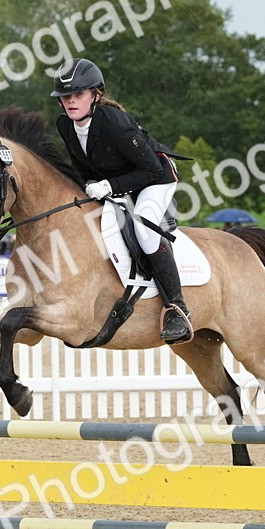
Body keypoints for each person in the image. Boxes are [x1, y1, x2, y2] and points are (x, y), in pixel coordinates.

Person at [51, 57, 193, 344]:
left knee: (144, 226)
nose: (71, 102)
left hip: (156, 179)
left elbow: (151, 168)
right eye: (66, 97)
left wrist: (109, 186)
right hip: (117, 184)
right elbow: (82, 166)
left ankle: (178, 309)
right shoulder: (65, 125)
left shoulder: (115, 122)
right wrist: (91, 186)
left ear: (95, 95)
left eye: (78, 94)